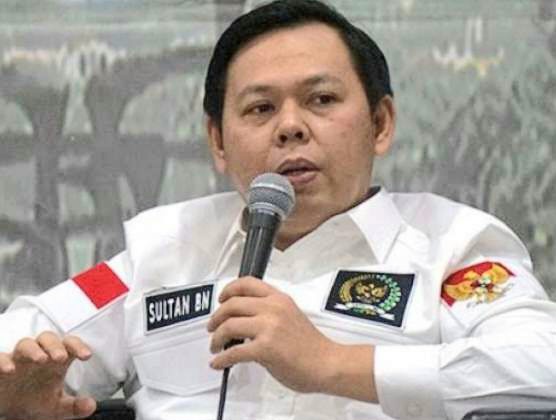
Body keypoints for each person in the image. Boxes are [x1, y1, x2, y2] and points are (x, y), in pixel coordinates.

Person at [1, 0, 556, 419]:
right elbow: (25, 337)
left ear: (380, 123)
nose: (290, 127)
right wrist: (14, 395)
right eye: (260, 108)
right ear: (218, 142)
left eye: (321, 99)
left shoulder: (451, 246)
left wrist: (333, 364)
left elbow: (541, 362)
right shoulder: (163, 252)